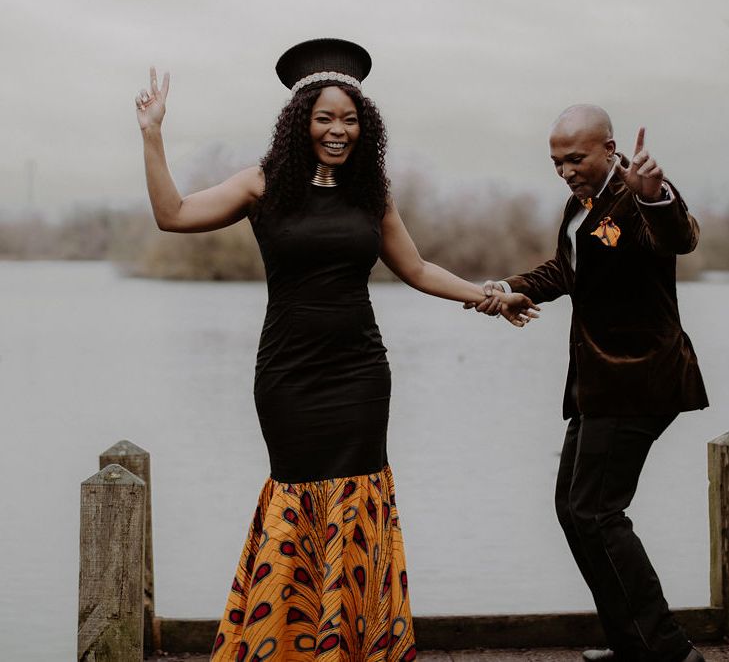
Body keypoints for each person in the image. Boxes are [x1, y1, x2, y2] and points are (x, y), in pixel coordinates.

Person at [135, 38, 538, 661]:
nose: (337, 130)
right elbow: (173, 215)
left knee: (358, 506)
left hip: (359, 378)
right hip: (289, 381)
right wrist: (152, 136)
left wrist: (488, 295)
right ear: (302, 122)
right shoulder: (261, 185)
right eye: (325, 118)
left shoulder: (371, 195)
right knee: (295, 501)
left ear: (364, 127)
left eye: (349, 119)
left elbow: (420, 269)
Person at [470, 104, 708, 662]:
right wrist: (511, 285)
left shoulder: (639, 194)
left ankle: (670, 653)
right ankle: (633, 645)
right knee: (573, 509)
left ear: (609, 147)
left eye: (575, 158)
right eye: (556, 162)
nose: (565, 170)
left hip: (640, 379)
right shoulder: (583, 205)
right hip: (598, 383)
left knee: (597, 511)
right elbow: (565, 270)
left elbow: (679, 237)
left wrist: (655, 193)